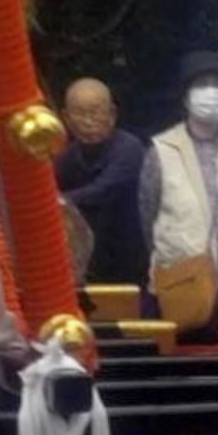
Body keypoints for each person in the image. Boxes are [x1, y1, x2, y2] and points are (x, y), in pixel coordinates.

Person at [139, 51, 218, 307]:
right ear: (186, 96)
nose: (211, 92)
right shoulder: (162, 150)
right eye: (202, 85)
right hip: (185, 281)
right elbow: (148, 217)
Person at [55, 77, 149, 286]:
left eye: (95, 112)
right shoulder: (66, 157)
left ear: (112, 114)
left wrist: (60, 200)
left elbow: (104, 190)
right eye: (79, 113)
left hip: (130, 259)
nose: (88, 121)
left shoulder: (129, 148)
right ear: (66, 118)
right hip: (88, 262)